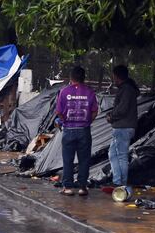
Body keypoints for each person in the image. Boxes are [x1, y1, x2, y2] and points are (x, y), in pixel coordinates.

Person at [56, 66, 98, 196]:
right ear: (83, 77)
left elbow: (58, 112)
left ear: (71, 77)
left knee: (67, 159)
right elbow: (95, 111)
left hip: (68, 130)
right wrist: (87, 122)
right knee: (84, 159)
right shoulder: (90, 92)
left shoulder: (63, 92)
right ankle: (82, 187)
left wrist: (64, 122)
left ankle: (67, 188)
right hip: (84, 130)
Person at [106, 65, 140, 192]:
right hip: (127, 127)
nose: (113, 79)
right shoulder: (130, 89)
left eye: (114, 76)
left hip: (122, 127)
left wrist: (111, 116)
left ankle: (119, 182)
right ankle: (120, 182)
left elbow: (122, 109)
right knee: (119, 155)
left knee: (118, 155)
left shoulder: (126, 90)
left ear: (117, 76)